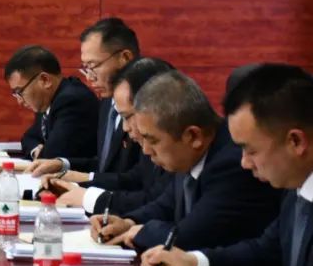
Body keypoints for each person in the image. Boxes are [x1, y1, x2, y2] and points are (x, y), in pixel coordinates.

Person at [141, 64, 313, 266]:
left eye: (251, 150)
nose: (244, 163)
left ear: (296, 142)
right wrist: (194, 264)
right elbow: (264, 251)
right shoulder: (295, 189)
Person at [89, 71, 283, 251]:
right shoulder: (189, 154)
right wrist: (128, 222)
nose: (146, 150)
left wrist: (141, 232)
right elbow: (166, 205)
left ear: (192, 136)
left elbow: (188, 237)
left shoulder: (232, 164)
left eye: (153, 140)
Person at [46, 57, 175, 212]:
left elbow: (158, 203)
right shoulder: (107, 105)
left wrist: (88, 197)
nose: (125, 128)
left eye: (128, 117)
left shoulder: (178, 149)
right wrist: (78, 182)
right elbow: (136, 177)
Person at [29, 17, 141, 177]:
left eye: (93, 66)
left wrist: (86, 178)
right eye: (85, 68)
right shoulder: (107, 102)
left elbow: (138, 179)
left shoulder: (145, 104)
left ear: (125, 58)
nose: (89, 77)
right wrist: (62, 164)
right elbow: (104, 165)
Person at [5, 45, 98, 161]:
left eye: (20, 92)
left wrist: (42, 153)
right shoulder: (47, 100)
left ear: (45, 80)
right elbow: (28, 138)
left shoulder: (72, 101)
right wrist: (36, 151)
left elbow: (51, 156)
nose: (20, 101)